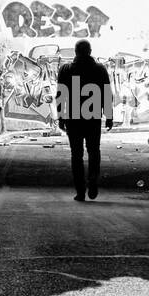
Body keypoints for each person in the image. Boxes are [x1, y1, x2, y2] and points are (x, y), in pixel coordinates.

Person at [55, 40, 113, 201]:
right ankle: (93, 181)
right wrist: (109, 116)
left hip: (73, 118)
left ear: (75, 51)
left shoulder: (66, 69)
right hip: (93, 116)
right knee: (94, 151)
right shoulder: (100, 69)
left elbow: (60, 94)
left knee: (76, 155)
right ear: (90, 51)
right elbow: (107, 94)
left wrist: (61, 117)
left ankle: (80, 191)